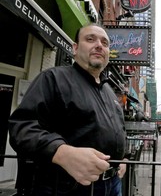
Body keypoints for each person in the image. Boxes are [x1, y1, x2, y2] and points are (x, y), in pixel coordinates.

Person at [8, 23, 128, 196]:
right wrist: (61, 153)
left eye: (105, 43)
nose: (99, 45)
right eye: (90, 39)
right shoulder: (53, 79)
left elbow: (117, 131)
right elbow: (21, 128)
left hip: (112, 184)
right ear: (75, 48)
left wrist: (123, 159)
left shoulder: (109, 90)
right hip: (68, 187)